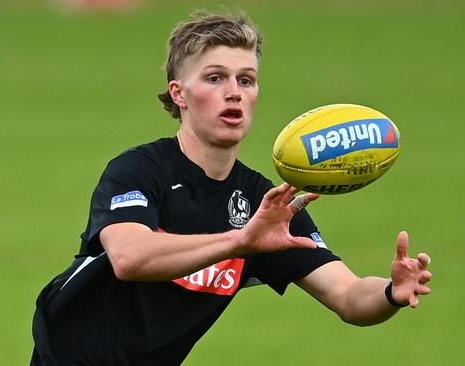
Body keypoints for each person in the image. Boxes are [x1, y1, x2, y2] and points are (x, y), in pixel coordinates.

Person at [30, 11, 432, 366]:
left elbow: (347, 296)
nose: (234, 91)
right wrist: (241, 242)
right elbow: (130, 257)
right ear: (179, 94)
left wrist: (390, 293)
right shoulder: (138, 170)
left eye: (247, 79)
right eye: (215, 78)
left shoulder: (266, 205)